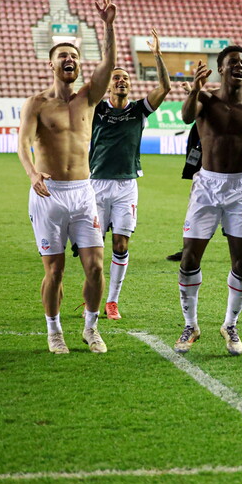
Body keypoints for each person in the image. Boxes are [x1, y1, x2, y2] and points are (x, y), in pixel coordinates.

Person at [17, 0, 118, 354]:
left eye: (74, 56)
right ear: (52, 65)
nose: (70, 60)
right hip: (49, 193)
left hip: (83, 192)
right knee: (55, 271)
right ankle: (54, 331)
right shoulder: (37, 104)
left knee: (95, 267)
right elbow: (23, 143)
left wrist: (108, 26)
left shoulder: (88, 97)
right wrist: (32, 174)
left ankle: (91, 329)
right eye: (64, 56)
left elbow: (108, 63)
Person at [174, 46, 242, 356]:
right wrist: (195, 89)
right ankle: (190, 325)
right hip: (207, 185)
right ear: (221, 69)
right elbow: (184, 115)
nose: (240, 66)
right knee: (189, 259)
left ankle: (230, 324)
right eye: (233, 62)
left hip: (241, 188)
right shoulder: (205, 101)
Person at [89, 27, 171, 321]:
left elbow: (165, 88)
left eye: (125, 77)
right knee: (94, 249)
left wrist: (157, 56)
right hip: (95, 185)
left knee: (121, 244)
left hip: (126, 186)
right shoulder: (95, 108)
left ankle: (112, 302)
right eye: (116, 78)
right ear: (108, 86)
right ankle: (92, 297)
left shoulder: (139, 110)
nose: (121, 80)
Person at [165, 119, 242, 263]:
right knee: (209, 214)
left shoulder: (219, 116)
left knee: (221, 215)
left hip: (223, 178)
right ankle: (189, 249)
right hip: (205, 176)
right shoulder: (202, 118)